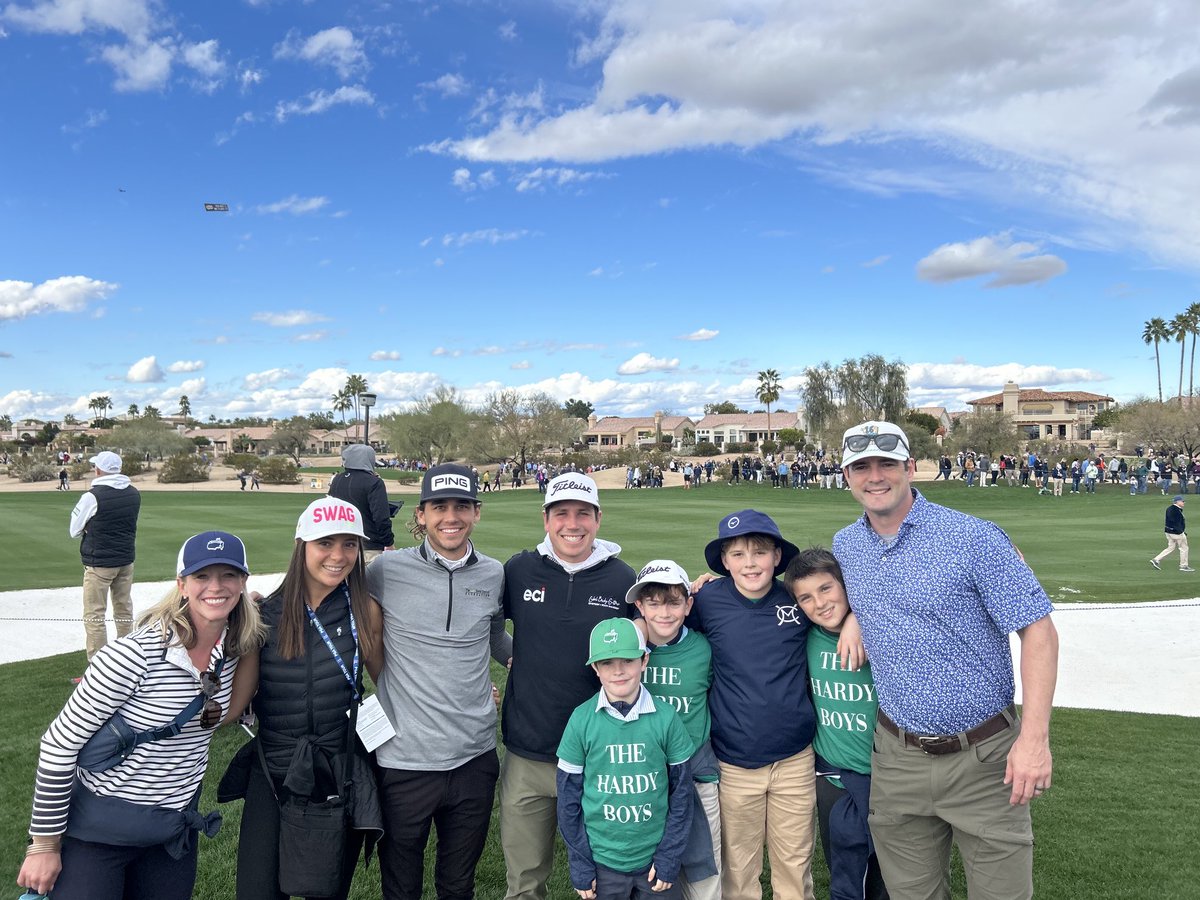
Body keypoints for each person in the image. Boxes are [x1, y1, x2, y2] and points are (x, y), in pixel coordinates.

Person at [833, 420, 1059, 900]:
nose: (875, 476)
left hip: (985, 758)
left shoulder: (974, 538)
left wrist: (1035, 741)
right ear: (846, 476)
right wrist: (855, 616)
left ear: (911, 467)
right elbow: (854, 595)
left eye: (887, 463)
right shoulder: (846, 546)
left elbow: (1038, 630)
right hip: (897, 760)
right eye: (861, 466)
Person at [18, 531, 264, 900]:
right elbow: (58, 745)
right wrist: (44, 847)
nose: (216, 586)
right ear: (181, 584)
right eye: (201, 576)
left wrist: (255, 619)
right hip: (99, 836)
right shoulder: (133, 655)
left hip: (169, 833)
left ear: (243, 582)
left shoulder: (230, 650)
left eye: (228, 575)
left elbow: (224, 714)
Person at [219, 496, 384, 900]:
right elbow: (235, 704)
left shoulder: (365, 609)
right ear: (302, 546)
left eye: (349, 544)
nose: (338, 555)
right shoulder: (263, 613)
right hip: (274, 768)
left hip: (337, 771)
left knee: (324, 891)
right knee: (257, 892)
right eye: (325, 543)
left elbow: (392, 684)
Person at [366, 464, 511, 900]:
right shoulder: (386, 571)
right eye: (440, 506)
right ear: (423, 514)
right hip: (404, 759)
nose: (452, 516)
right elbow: (334, 608)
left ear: (477, 513)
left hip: (474, 755)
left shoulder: (494, 573)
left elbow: (494, 640)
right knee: (401, 884)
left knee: (457, 884)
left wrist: (539, 664)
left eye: (462, 506)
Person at [500, 472, 637, 900]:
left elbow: (650, 629)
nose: (571, 524)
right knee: (524, 881)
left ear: (598, 519)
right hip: (528, 751)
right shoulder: (519, 570)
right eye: (561, 514)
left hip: (599, 753)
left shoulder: (621, 578)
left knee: (608, 878)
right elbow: (485, 627)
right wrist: (512, 657)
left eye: (583, 513)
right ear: (546, 519)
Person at [691, 510, 817, 900]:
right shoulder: (706, 600)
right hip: (734, 762)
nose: (750, 563)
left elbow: (840, 609)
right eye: (738, 554)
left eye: (760, 552)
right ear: (724, 562)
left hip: (795, 759)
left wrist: (850, 623)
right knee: (739, 868)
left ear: (777, 557)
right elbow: (662, 624)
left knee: (794, 866)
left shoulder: (796, 598)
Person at [556, 618, 694, 900]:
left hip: (654, 861)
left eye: (628, 660)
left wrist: (669, 856)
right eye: (607, 663)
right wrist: (581, 863)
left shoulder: (666, 718)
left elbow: (682, 794)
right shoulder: (581, 721)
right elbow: (568, 799)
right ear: (595, 668)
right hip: (602, 862)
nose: (618, 671)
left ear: (644, 660)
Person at [783, 549, 889, 900]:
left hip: (892, 775)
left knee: (894, 876)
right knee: (845, 870)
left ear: (846, 585)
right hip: (835, 776)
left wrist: (858, 617)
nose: (820, 603)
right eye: (806, 598)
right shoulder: (804, 637)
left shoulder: (882, 628)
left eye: (827, 589)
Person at [628, 560, 721, 900]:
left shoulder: (703, 649)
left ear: (688, 605)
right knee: (651, 872)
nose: (664, 612)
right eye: (652, 603)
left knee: (705, 870)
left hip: (698, 774)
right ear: (639, 606)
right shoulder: (627, 649)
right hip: (643, 779)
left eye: (673, 603)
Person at [69, 451, 141, 661]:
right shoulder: (134, 493)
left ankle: (98, 665)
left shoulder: (92, 496)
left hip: (99, 562)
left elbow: (74, 530)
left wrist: (89, 528)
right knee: (124, 610)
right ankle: (127, 659)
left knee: (94, 615)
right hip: (126, 561)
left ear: (99, 469)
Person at [329, 443, 396, 565]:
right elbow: (381, 518)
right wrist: (388, 543)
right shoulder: (374, 482)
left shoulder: (337, 480)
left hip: (343, 544)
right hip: (369, 546)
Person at [1150, 495, 1193, 572]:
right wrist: (1180, 531)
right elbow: (1174, 522)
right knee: (1184, 548)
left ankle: (1156, 559)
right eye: (1182, 501)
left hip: (1169, 532)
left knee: (1171, 547)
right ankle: (1184, 565)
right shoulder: (1175, 510)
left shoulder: (1171, 508)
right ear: (1177, 501)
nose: (1184, 502)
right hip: (1176, 533)